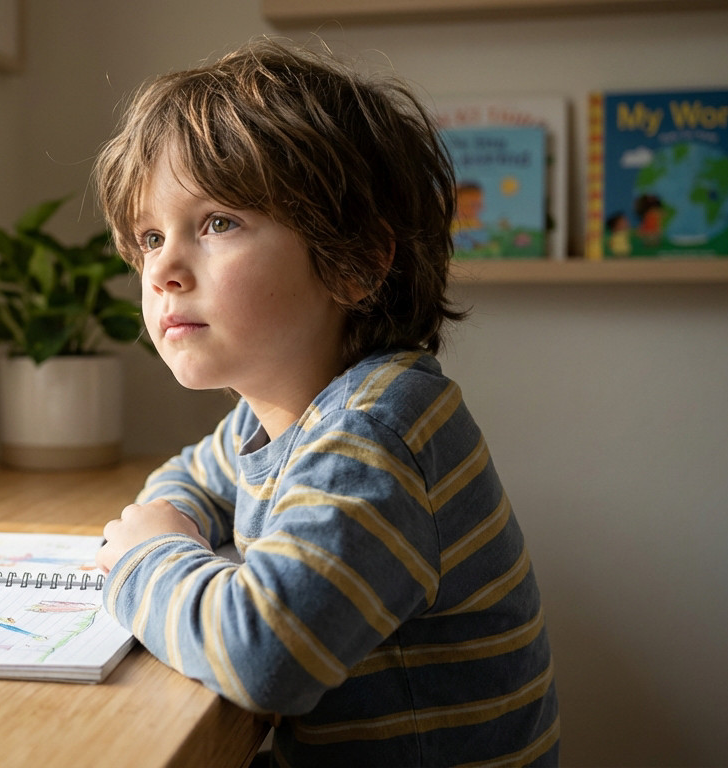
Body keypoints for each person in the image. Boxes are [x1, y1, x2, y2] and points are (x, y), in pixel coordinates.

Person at [93, 38, 559, 767]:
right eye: (151, 237)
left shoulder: (375, 429)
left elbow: (265, 657)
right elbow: (189, 476)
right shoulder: (274, 412)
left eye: (217, 223)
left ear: (356, 263)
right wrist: (172, 520)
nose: (163, 271)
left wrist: (150, 556)